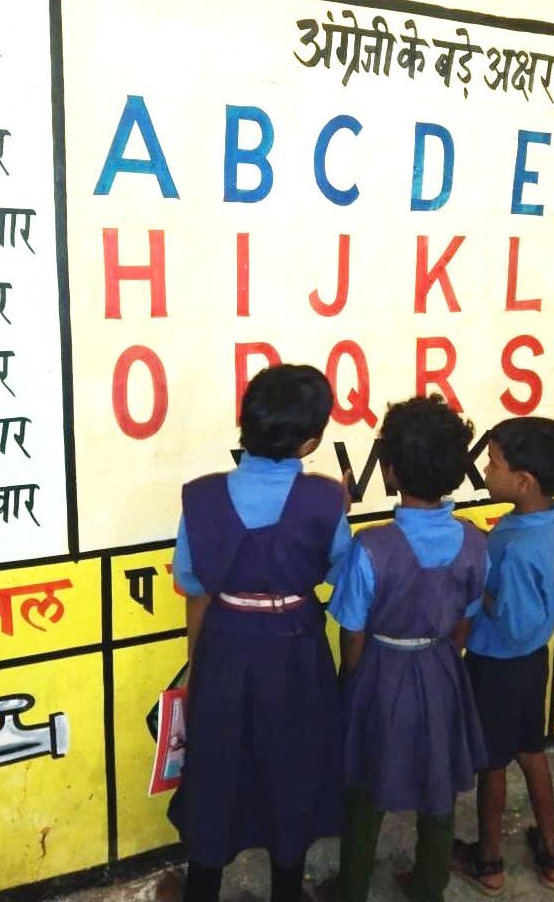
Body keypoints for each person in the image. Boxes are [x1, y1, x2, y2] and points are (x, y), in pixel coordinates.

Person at [156, 364, 351, 902]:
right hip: (297, 648)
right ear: (311, 442)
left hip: (225, 645)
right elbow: (341, 571)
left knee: (217, 766)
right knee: (294, 763)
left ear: (244, 423)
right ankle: (287, 889)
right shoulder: (325, 498)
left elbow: (192, 584)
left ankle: (202, 889)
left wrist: (197, 667)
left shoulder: (200, 497)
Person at [324, 395, 488, 902]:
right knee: (439, 787)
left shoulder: (371, 546)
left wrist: (354, 677)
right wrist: (443, 656)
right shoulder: (475, 541)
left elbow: (352, 632)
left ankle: (351, 888)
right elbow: (465, 618)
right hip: (440, 668)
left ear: (390, 471)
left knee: (364, 787)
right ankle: (429, 886)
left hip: (379, 670)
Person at [451, 416, 554, 896]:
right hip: (530, 664)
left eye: (493, 463)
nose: (486, 471)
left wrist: (477, 579)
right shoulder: (545, 522)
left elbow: (514, 620)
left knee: (492, 764)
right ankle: (551, 851)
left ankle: (488, 861)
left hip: (497, 666)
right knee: (531, 751)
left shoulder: (520, 547)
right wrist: (488, 546)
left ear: (524, 481)